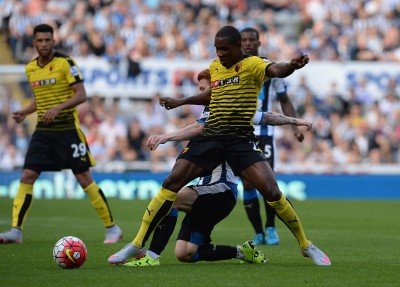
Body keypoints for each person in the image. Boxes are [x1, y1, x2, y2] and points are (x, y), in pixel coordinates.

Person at [108, 25, 331, 266]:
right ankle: (137, 244)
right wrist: (181, 101)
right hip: (211, 136)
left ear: (237, 47)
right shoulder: (215, 67)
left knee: (272, 191)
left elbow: (277, 69)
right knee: (171, 183)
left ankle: (306, 245)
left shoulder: (254, 64)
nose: (219, 54)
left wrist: (292, 65)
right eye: (216, 49)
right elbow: (209, 96)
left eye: (224, 49)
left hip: (239, 140)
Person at [0, 24, 122, 244]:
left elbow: (81, 95)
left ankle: (112, 228)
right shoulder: (30, 68)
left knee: (84, 179)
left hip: (67, 130)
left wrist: (58, 108)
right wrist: (25, 111)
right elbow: (40, 98)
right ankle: (16, 231)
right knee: (27, 176)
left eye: (48, 40)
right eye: (40, 40)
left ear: (53, 41)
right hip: (43, 132)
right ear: (34, 42)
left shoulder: (66, 63)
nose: (44, 44)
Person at [239, 27, 305, 246]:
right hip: (240, 132)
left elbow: (284, 99)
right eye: (244, 40)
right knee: (247, 185)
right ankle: (258, 232)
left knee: (267, 184)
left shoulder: (269, 68)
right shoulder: (232, 68)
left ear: (259, 43)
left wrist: (294, 125)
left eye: (251, 40)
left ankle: (270, 228)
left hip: (265, 133)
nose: (247, 43)